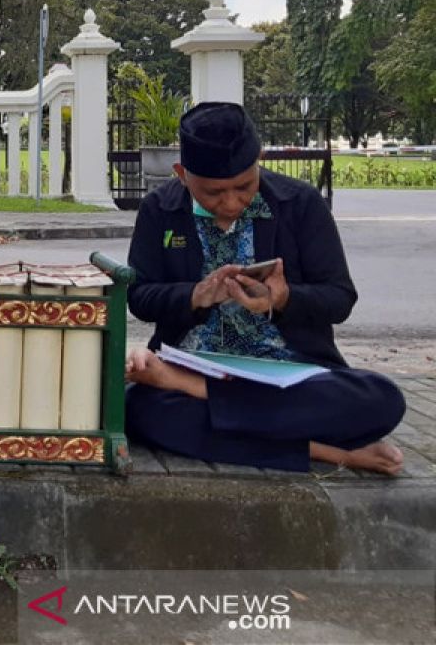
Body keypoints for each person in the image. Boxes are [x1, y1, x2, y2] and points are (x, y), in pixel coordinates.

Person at [124, 101, 406, 474]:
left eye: (244, 186)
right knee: (140, 411)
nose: (231, 202)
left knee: (382, 399)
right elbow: (139, 296)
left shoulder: (300, 203)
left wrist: (283, 298)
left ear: (258, 159)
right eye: (211, 193)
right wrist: (195, 296)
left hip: (289, 372)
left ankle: (201, 397)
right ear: (181, 175)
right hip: (193, 365)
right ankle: (327, 451)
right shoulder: (159, 210)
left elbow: (339, 298)